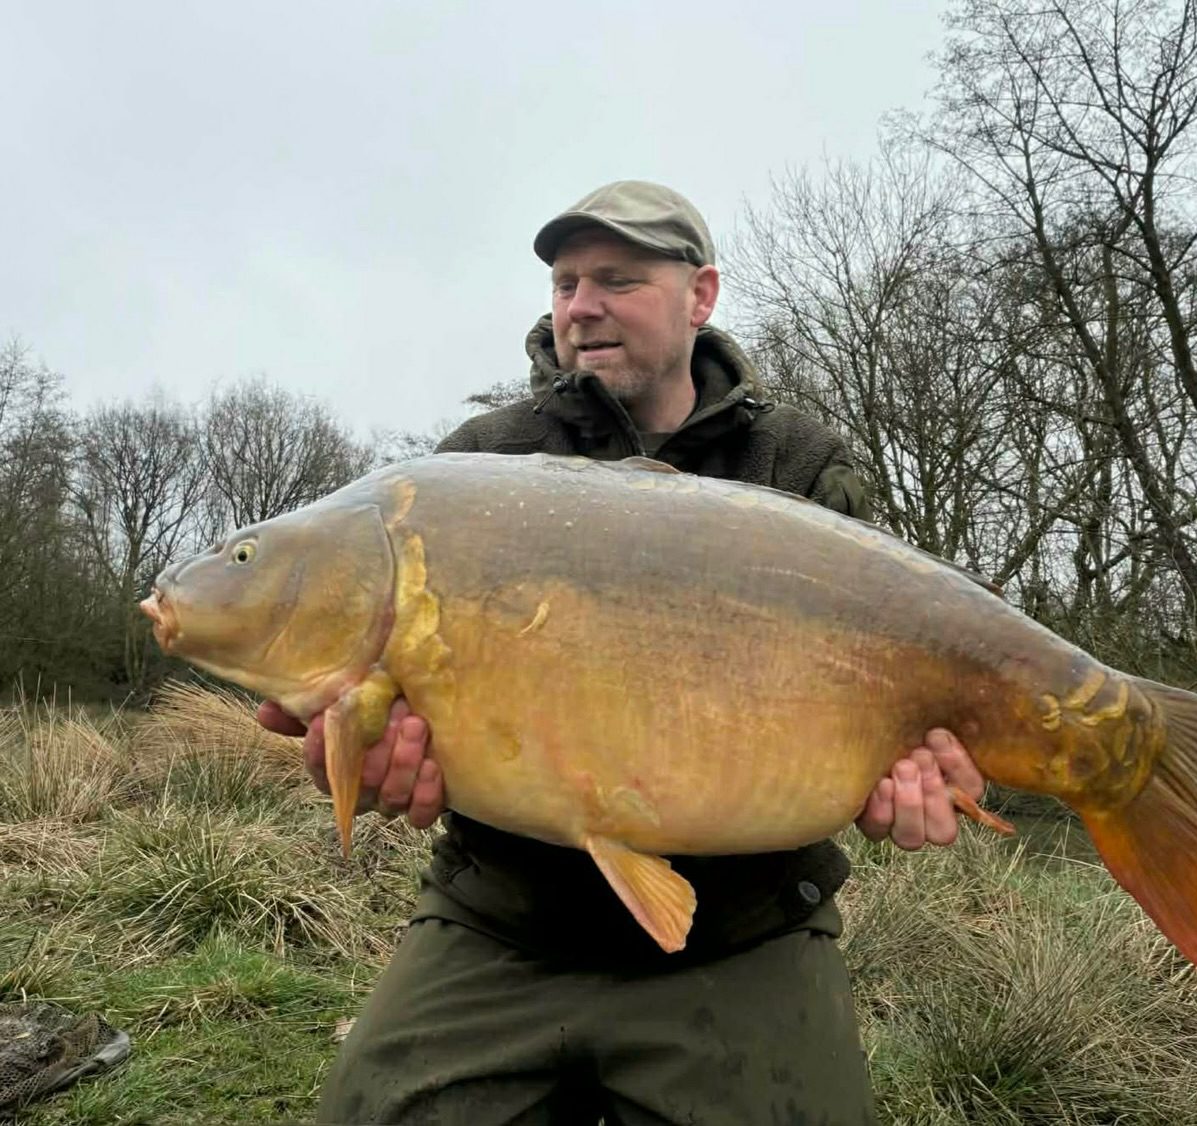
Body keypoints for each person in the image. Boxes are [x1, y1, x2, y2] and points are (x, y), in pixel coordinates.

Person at [258, 181, 987, 1125]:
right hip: (503, 916)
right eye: (565, 284)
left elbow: (898, 684)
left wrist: (914, 777)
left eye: (617, 280)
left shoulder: (797, 465)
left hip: (745, 928)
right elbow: (390, 721)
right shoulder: (480, 463)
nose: (581, 307)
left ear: (701, 295)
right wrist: (365, 761)